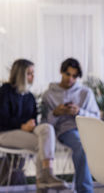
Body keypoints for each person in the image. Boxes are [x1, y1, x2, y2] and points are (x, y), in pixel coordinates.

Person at [0, 59, 67, 190]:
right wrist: (22, 126)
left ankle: (45, 177)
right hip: (4, 133)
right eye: (29, 73)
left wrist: (31, 125)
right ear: (20, 74)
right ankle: (44, 180)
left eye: (33, 73)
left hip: (25, 132)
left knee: (47, 128)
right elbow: (1, 120)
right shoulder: (5, 91)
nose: (33, 76)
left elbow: (33, 120)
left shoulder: (30, 97)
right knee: (42, 143)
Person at [42, 58, 100, 193]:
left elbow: (96, 117)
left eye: (74, 76)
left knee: (86, 144)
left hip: (88, 130)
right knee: (82, 146)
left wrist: (79, 111)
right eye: (68, 74)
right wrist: (55, 113)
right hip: (66, 132)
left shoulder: (86, 93)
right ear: (61, 72)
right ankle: (85, 191)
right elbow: (45, 126)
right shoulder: (49, 95)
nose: (70, 79)